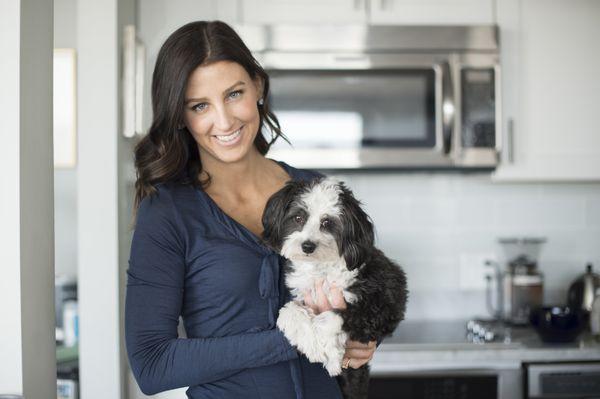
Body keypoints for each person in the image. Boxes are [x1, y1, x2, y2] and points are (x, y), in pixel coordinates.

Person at [125, 20, 377, 399]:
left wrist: (362, 337)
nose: (224, 121)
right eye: (200, 105)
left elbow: (365, 291)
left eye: (233, 94)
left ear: (257, 86)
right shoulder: (168, 213)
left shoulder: (316, 192)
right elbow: (152, 364)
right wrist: (294, 338)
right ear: (180, 115)